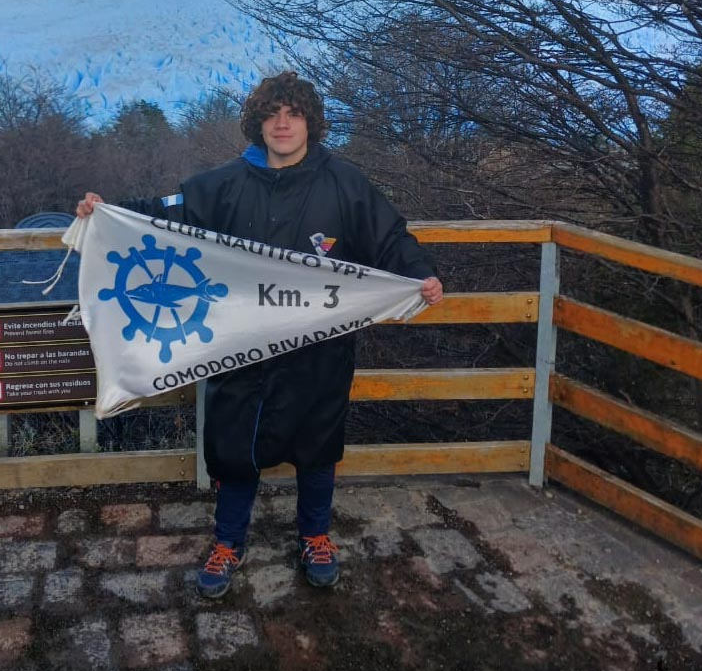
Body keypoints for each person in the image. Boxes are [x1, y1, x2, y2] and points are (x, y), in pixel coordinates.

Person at [77, 71, 443, 598]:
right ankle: (229, 541)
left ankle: (315, 536)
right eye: (272, 115)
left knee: (318, 444)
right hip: (239, 350)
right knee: (234, 445)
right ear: (258, 124)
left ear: (310, 122)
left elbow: (389, 237)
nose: (282, 124)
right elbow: (165, 216)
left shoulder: (344, 183)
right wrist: (105, 211)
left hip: (320, 349)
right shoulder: (223, 184)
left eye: (293, 114)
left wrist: (420, 274)